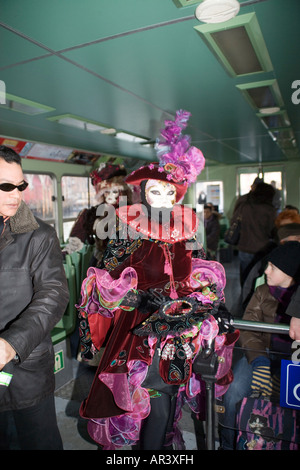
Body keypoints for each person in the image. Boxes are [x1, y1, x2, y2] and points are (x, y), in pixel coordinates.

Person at [76, 110, 235, 450]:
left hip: (182, 326)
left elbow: (201, 271)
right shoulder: (127, 228)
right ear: (144, 193)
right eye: (155, 192)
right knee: (153, 404)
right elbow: (106, 278)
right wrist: (128, 295)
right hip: (141, 332)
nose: (162, 200)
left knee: (169, 402)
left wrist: (211, 302)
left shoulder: (187, 230)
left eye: (168, 193)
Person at [0, 145, 69, 450]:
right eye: (6, 186)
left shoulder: (39, 235)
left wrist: (10, 344)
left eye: (21, 185)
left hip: (25, 372)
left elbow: (53, 295)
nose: (16, 194)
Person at [219, 241, 300, 450]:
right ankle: (228, 444)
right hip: (260, 355)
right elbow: (249, 329)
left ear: (290, 270)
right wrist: (261, 361)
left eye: (273, 267)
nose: (266, 271)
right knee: (233, 391)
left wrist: (286, 372)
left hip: (292, 363)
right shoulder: (263, 291)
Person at [64, 163, 132, 266]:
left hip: (125, 263)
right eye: (106, 192)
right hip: (99, 261)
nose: (109, 195)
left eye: (114, 191)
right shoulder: (93, 213)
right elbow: (78, 237)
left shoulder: (131, 213)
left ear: (122, 192)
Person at [230, 180, 276, 285]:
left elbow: (233, 222)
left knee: (245, 276)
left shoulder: (244, 206)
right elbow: (271, 230)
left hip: (244, 247)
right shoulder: (269, 210)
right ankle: (256, 299)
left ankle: (245, 299)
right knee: (260, 278)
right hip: (262, 248)